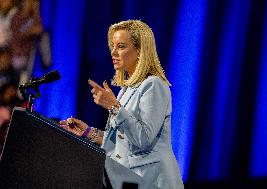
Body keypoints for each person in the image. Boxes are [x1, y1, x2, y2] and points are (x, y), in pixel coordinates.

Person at [60, 20, 184, 189]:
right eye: (113, 46)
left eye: (121, 46)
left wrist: (113, 106)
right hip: (129, 180)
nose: (113, 52)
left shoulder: (154, 85)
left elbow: (144, 139)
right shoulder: (126, 89)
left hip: (153, 181)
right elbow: (123, 142)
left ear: (140, 50)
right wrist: (90, 133)